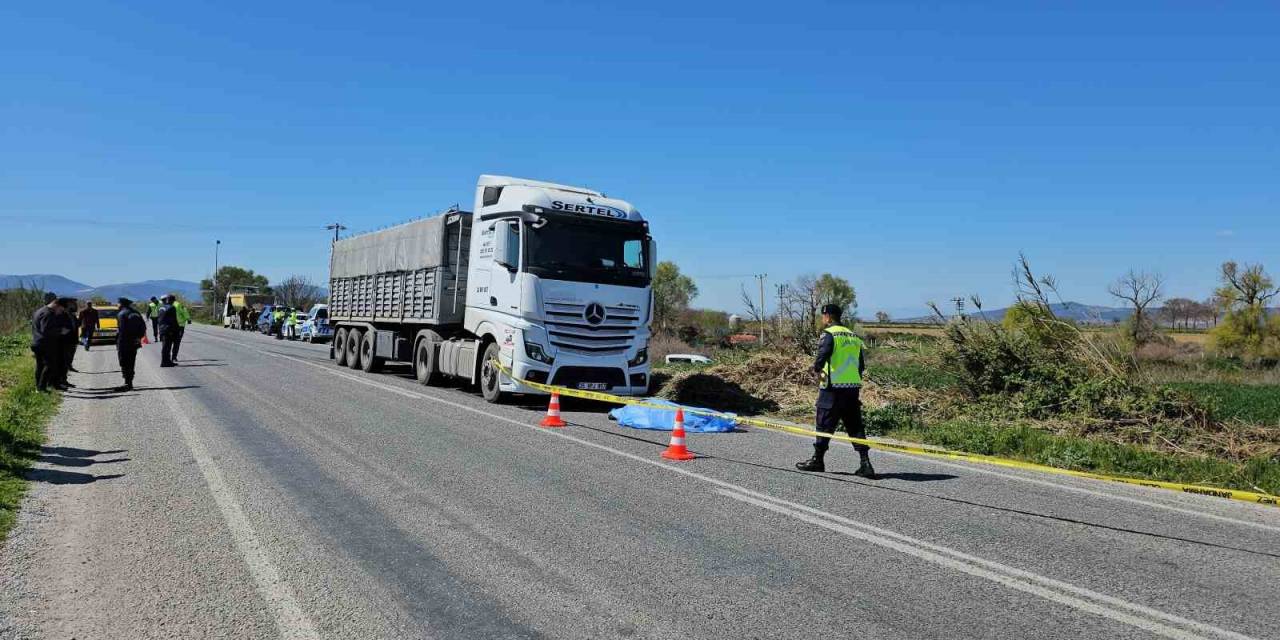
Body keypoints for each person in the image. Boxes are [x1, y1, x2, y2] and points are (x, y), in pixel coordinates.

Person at [795, 303, 875, 478]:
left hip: (831, 387)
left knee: (823, 423)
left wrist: (816, 370)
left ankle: (817, 460)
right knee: (855, 425)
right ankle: (865, 463)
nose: (823, 319)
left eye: (823, 316)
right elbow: (861, 365)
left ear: (829, 317)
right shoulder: (854, 336)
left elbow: (821, 359)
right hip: (852, 388)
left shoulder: (829, 334)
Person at [30, 293, 66, 392]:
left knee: (40, 366)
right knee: (50, 365)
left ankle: (38, 387)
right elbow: (45, 330)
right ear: (56, 305)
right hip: (44, 344)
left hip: (37, 342)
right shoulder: (48, 313)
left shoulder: (39, 311)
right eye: (60, 310)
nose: (60, 312)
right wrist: (60, 331)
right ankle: (41, 387)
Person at [115, 297, 147, 391]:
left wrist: (120, 341)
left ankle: (127, 383)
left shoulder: (121, 314)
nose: (117, 305)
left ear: (122, 304)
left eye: (118, 304)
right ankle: (130, 383)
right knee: (131, 362)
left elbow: (122, 330)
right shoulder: (136, 313)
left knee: (124, 362)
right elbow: (143, 327)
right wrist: (138, 338)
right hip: (134, 342)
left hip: (124, 342)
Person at [156, 295, 179, 367]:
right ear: (173, 301)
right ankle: (164, 362)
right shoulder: (172, 308)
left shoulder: (161, 308)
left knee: (165, 346)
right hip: (169, 329)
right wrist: (176, 330)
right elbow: (174, 320)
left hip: (162, 328)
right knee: (167, 347)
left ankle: (167, 361)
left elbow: (159, 319)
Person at [62, 299, 80, 376]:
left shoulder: (72, 315)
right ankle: (64, 372)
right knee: (66, 356)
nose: (75, 305)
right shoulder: (64, 314)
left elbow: (76, 325)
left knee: (71, 354)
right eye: (73, 303)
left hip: (73, 339)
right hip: (67, 340)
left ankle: (69, 366)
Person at [171, 295, 192, 361]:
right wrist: (188, 319)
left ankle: (171, 357)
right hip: (178, 326)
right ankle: (173, 357)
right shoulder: (177, 305)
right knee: (176, 342)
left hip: (174, 326)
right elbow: (184, 311)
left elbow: (184, 311)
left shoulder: (175, 305)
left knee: (171, 342)